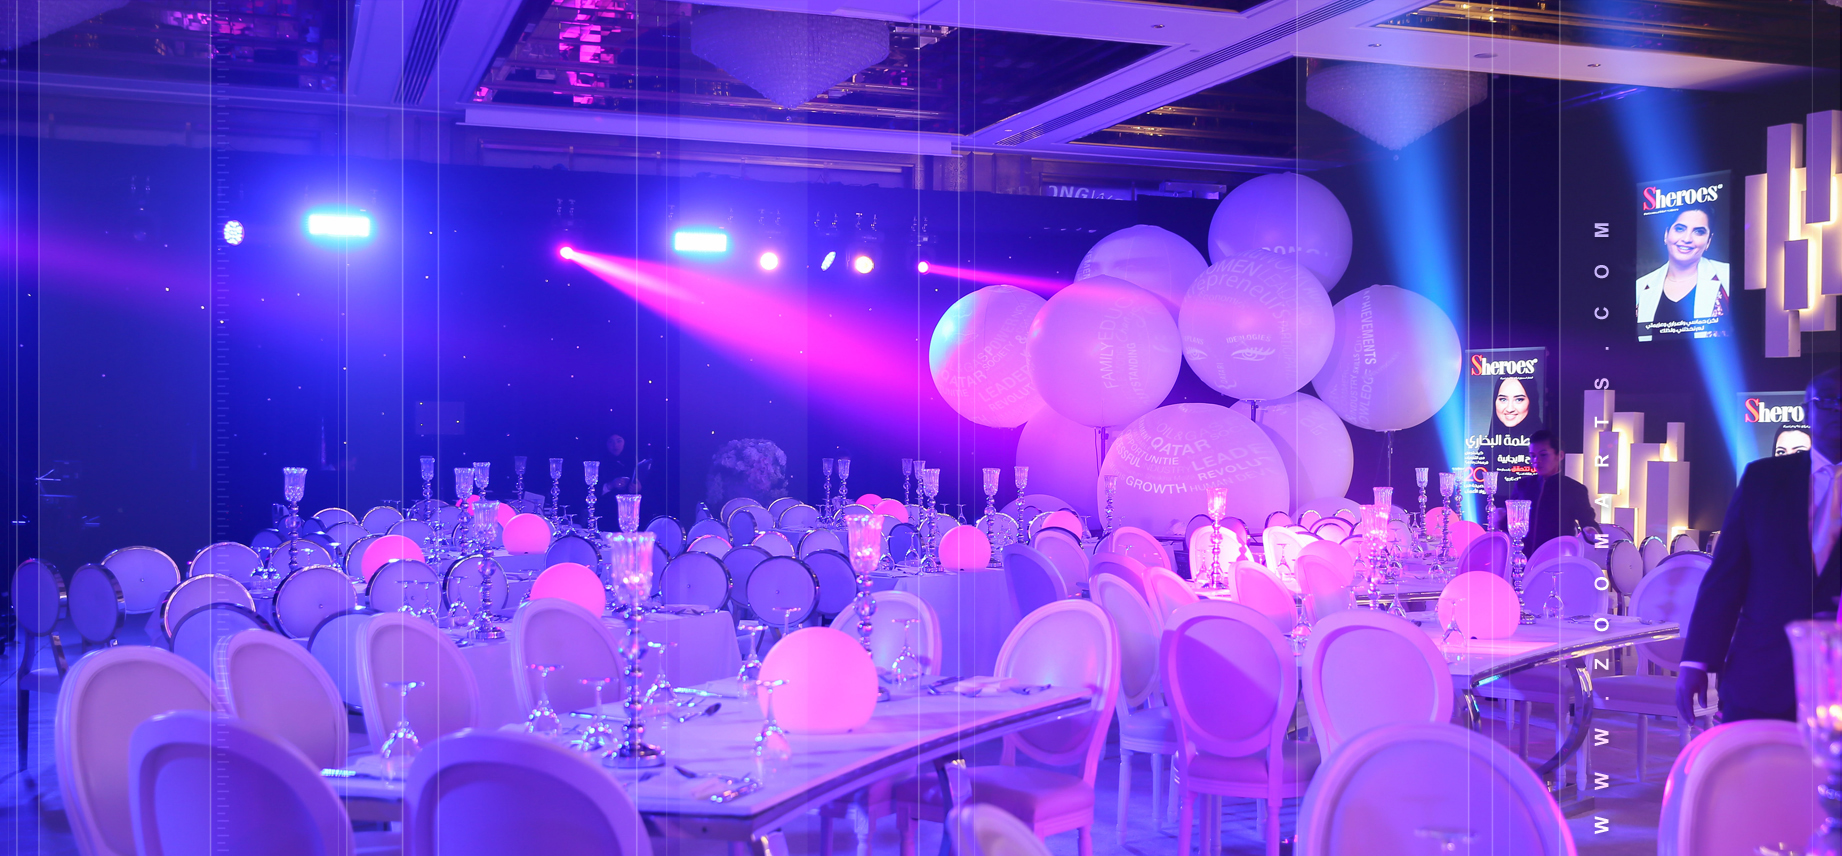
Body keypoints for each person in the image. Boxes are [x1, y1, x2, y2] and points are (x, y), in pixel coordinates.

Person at [1678, 366, 1842, 723]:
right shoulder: (1762, 479)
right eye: (1828, 400)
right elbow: (1726, 577)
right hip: (1762, 674)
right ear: (1806, 411)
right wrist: (1696, 660)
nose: (1838, 408)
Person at [1636, 208, 1729, 340]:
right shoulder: (1640, 287)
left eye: (1699, 232)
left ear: (1708, 241)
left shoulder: (1727, 276)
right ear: (1666, 234)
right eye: (1680, 229)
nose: (1686, 239)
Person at [1502, 430, 1597, 550]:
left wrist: (1596, 537)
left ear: (1560, 455)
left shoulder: (1574, 489)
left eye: (1543, 455)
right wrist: (1499, 519)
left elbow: (1588, 522)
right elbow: (1508, 523)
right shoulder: (1523, 485)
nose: (1536, 460)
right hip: (1523, 555)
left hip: (1558, 556)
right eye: (1533, 455)